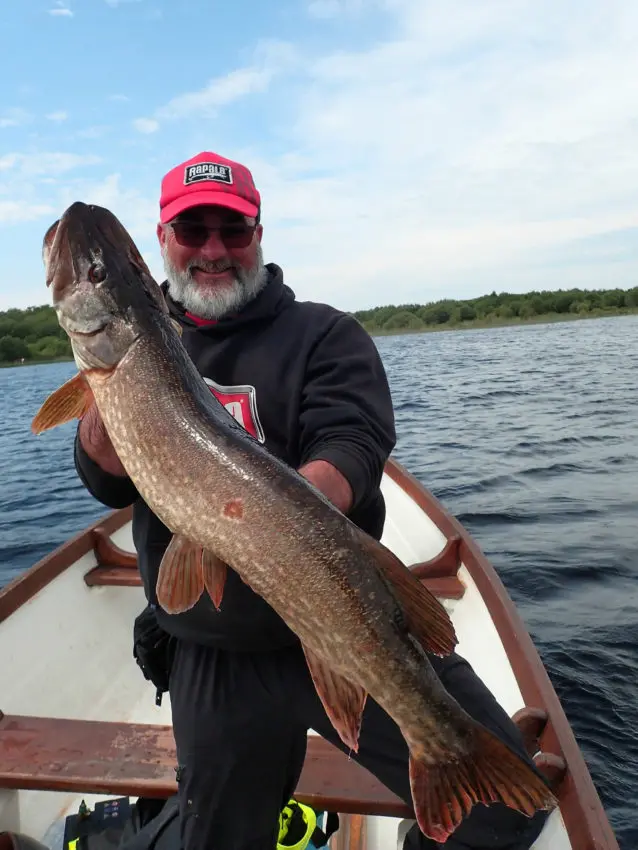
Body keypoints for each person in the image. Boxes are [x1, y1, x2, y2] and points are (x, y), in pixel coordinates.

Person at [73, 150, 549, 850]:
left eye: (232, 232)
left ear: (258, 234)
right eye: (193, 230)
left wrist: (271, 519)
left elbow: (354, 442)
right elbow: (108, 480)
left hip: (343, 611)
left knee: (503, 807)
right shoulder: (137, 350)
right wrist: (106, 397)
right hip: (213, 649)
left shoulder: (324, 335)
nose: (213, 250)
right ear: (163, 242)